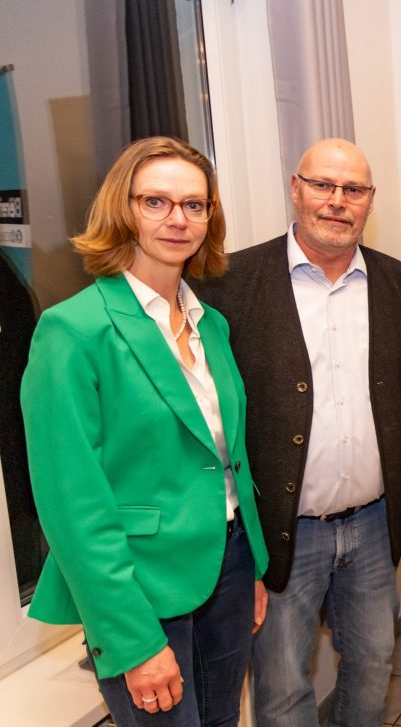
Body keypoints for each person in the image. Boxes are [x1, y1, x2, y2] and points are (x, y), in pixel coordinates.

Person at [21, 136, 269, 726]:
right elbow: (73, 507)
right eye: (155, 201)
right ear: (122, 209)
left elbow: (227, 458)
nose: (178, 219)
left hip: (229, 565)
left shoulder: (211, 325)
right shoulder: (73, 331)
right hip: (140, 586)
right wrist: (131, 641)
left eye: (194, 205)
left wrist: (252, 568)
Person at [197, 138, 401, 726]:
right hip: (281, 532)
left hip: (373, 524)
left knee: (374, 669)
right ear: (295, 189)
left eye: (353, 189)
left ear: (370, 200)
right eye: (323, 185)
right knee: (282, 690)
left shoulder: (400, 285)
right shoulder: (229, 284)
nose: (337, 201)